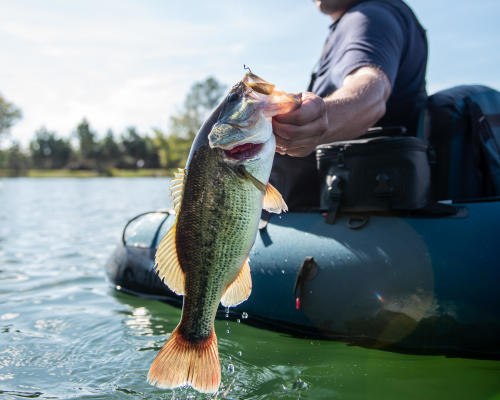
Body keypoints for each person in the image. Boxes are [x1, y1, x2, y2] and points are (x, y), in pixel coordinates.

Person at [269, 0, 428, 210]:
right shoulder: (368, 16)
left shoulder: (368, 17)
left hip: (367, 204)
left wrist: (320, 118)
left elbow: (370, 92)